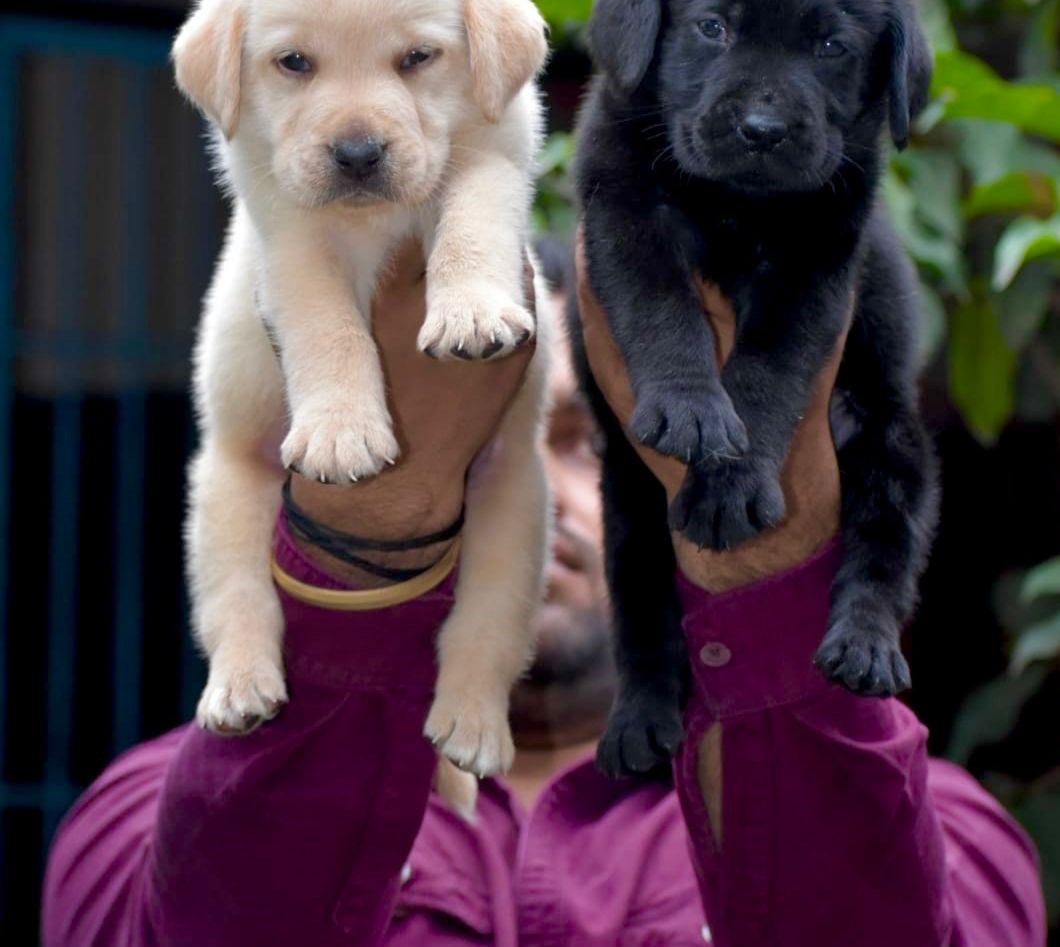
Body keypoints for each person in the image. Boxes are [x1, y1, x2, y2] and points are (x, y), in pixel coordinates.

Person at [42, 239, 1045, 946]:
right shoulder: (144, 812)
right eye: (475, 444)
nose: (530, 494)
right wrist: (368, 533)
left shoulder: (939, 826)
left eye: (581, 443)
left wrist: (760, 537)